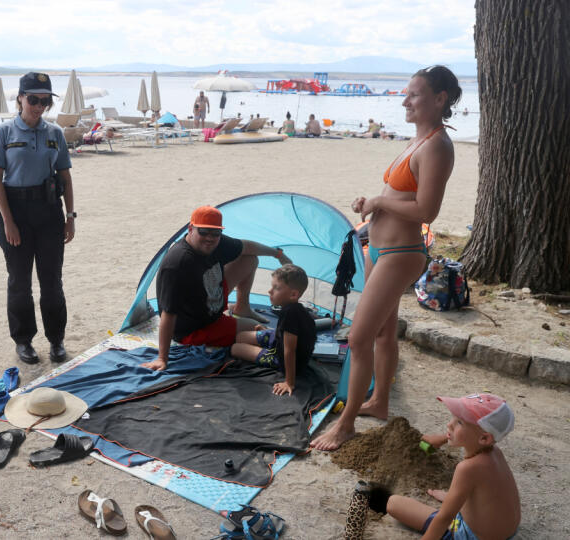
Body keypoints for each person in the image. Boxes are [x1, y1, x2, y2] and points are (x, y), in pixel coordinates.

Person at [311, 65, 461, 451]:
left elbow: (427, 211)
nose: (405, 100)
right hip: (381, 249)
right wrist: (372, 203)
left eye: (414, 94)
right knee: (382, 332)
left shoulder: (438, 146)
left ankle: (344, 426)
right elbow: (403, 197)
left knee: (358, 338)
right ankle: (378, 403)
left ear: (439, 99)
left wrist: (378, 202)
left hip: (401, 253)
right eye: (406, 93)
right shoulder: (418, 140)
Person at [0, 72, 75, 365]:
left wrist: (70, 216)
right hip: (15, 214)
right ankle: (24, 341)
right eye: (34, 99)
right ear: (20, 99)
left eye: (45, 101)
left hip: (49, 212)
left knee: (52, 281)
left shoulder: (55, 133)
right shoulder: (4, 133)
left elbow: (65, 177)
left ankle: (56, 340)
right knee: (19, 282)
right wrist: (8, 222)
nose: (39, 106)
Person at [141, 206, 292, 371]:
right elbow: (168, 314)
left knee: (249, 259)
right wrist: (162, 358)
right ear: (191, 229)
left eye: (215, 233)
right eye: (204, 232)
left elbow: (247, 247)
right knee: (257, 330)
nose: (209, 238)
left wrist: (277, 254)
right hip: (195, 328)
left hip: (209, 297)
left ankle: (242, 307)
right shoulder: (178, 263)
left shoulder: (216, 243)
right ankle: (246, 330)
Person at [382, 393, 520, 539]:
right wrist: (443, 438)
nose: (450, 424)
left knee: (394, 503)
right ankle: (456, 501)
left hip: (472, 536)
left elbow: (444, 518)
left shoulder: (467, 468)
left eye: (460, 422)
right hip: (507, 532)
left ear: (484, 438)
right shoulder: (495, 452)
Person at [231, 264, 316, 396]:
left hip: (281, 357)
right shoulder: (294, 308)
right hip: (278, 339)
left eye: (276, 288)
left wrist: (289, 382)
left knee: (235, 348)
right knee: (240, 336)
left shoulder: (290, 314)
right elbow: (289, 333)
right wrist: (272, 331)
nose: (270, 291)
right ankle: (267, 335)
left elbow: (290, 350)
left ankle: (282, 370)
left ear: (293, 294)